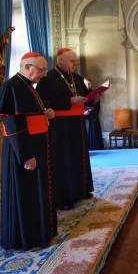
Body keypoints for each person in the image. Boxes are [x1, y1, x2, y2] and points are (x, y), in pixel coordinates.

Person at [0, 52, 57, 250]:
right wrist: (26, 155)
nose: (44, 75)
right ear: (28, 67)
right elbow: (13, 127)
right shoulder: (11, 87)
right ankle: (27, 238)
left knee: (37, 192)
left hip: (35, 148)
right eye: (42, 70)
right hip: (23, 152)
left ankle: (41, 233)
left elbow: (31, 118)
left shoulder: (28, 86)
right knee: (26, 194)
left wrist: (47, 115)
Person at [36, 48, 94, 210]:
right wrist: (69, 102)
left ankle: (81, 190)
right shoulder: (48, 78)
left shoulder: (76, 77)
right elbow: (43, 103)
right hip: (60, 126)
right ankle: (64, 198)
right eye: (72, 61)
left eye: (76, 61)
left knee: (79, 156)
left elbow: (83, 96)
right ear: (60, 60)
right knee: (64, 160)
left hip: (77, 124)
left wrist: (92, 96)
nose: (75, 64)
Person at [84, 78, 103, 150]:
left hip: (93, 117)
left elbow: (96, 106)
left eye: (89, 84)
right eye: (85, 84)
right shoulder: (81, 94)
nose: (87, 85)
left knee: (94, 134)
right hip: (84, 117)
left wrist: (96, 101)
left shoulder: (94, 93)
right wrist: (84, 114)